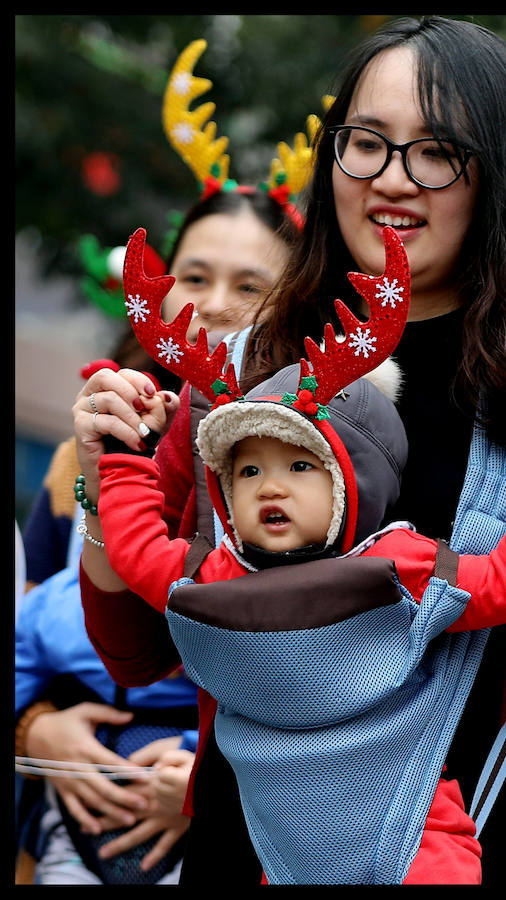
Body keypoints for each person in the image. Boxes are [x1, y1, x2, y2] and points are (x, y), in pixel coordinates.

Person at [73, 16, 506, 886]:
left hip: (487, 845)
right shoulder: (238, 370)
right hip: (253, 849)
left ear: (505, 174)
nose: (391, 182)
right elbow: (139, 653)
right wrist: (107, 492)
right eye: (366, 143)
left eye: (436, 151)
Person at [91, 229, 506, 883]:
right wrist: (121, 458)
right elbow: (131, 546)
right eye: (246, 471)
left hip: (410, 837)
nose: (271, 485)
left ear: (353, 483)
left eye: (300, 464)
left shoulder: (397, 565)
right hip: (272, 838)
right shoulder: (208, 572)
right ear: (222, 496)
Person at [16, 185, 299, 885]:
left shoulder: (308, 468)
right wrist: (34, 730)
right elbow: (28, 631)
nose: (211, 302)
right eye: (193, 277)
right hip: (67, 824)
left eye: (250, 283)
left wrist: (213, 780)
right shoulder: (78, 454)